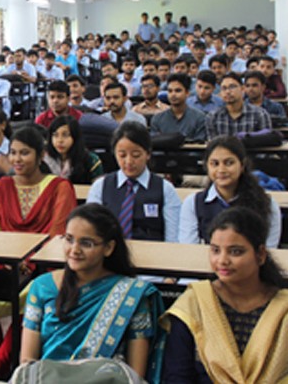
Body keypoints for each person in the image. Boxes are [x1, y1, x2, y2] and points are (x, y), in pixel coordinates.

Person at [21, 204, 164, 382]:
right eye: (69, 239)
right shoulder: (41, 287)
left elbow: (134, 375)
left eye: (86, 243)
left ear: (109, 248)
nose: (74, 250)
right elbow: (27, 362)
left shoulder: (131, 295)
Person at [162, 207, 288, 383]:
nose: (222, 260)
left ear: (260, 254)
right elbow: (177, 376)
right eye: (215, 250)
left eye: (235, 251)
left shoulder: (283, 309)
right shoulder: (194, 303)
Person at [178, 136, 282, 248]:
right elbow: (189, 248)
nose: (221, 170)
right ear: (206, 166)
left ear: (242, 165)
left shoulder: (267, 204)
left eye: (229, 163)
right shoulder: (193, 203)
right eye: (215, 164)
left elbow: (268, 250)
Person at [87, 122, 181, 242]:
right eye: (122, 155)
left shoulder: (165, 189)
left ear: (148, 154)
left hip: (153, 255)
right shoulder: (101, 186)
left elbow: (173, 238)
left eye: (136, 155)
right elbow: (92, 230)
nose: (129, 161)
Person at [0, 127, 77, 236]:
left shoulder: (60, 188)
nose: (17, 159)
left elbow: (58, 233)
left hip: (48, 251)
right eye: (13, 153)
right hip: (3, 251)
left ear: (41, 155)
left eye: (24, 153)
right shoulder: (1, 188)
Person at [205, 72, 272, 139]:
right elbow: (212, 145)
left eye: (232, 87)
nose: (228, 92)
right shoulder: (213, 117)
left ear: (242, 89)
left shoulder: (260, 114)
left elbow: (267, 141)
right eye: (224, 88)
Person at [44, 116, 103, 184]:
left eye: (65, 135)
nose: (60, 140)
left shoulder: (91, 160)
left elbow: (99, 189)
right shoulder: (42, 158)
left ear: (75, 137)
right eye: (55, 135)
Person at [150, 73, 207, 142]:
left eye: (178, 91)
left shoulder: (200, 118)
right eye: (170, 91)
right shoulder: (157, 119)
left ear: (187, 93)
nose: (173, 95)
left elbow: (199, 145)